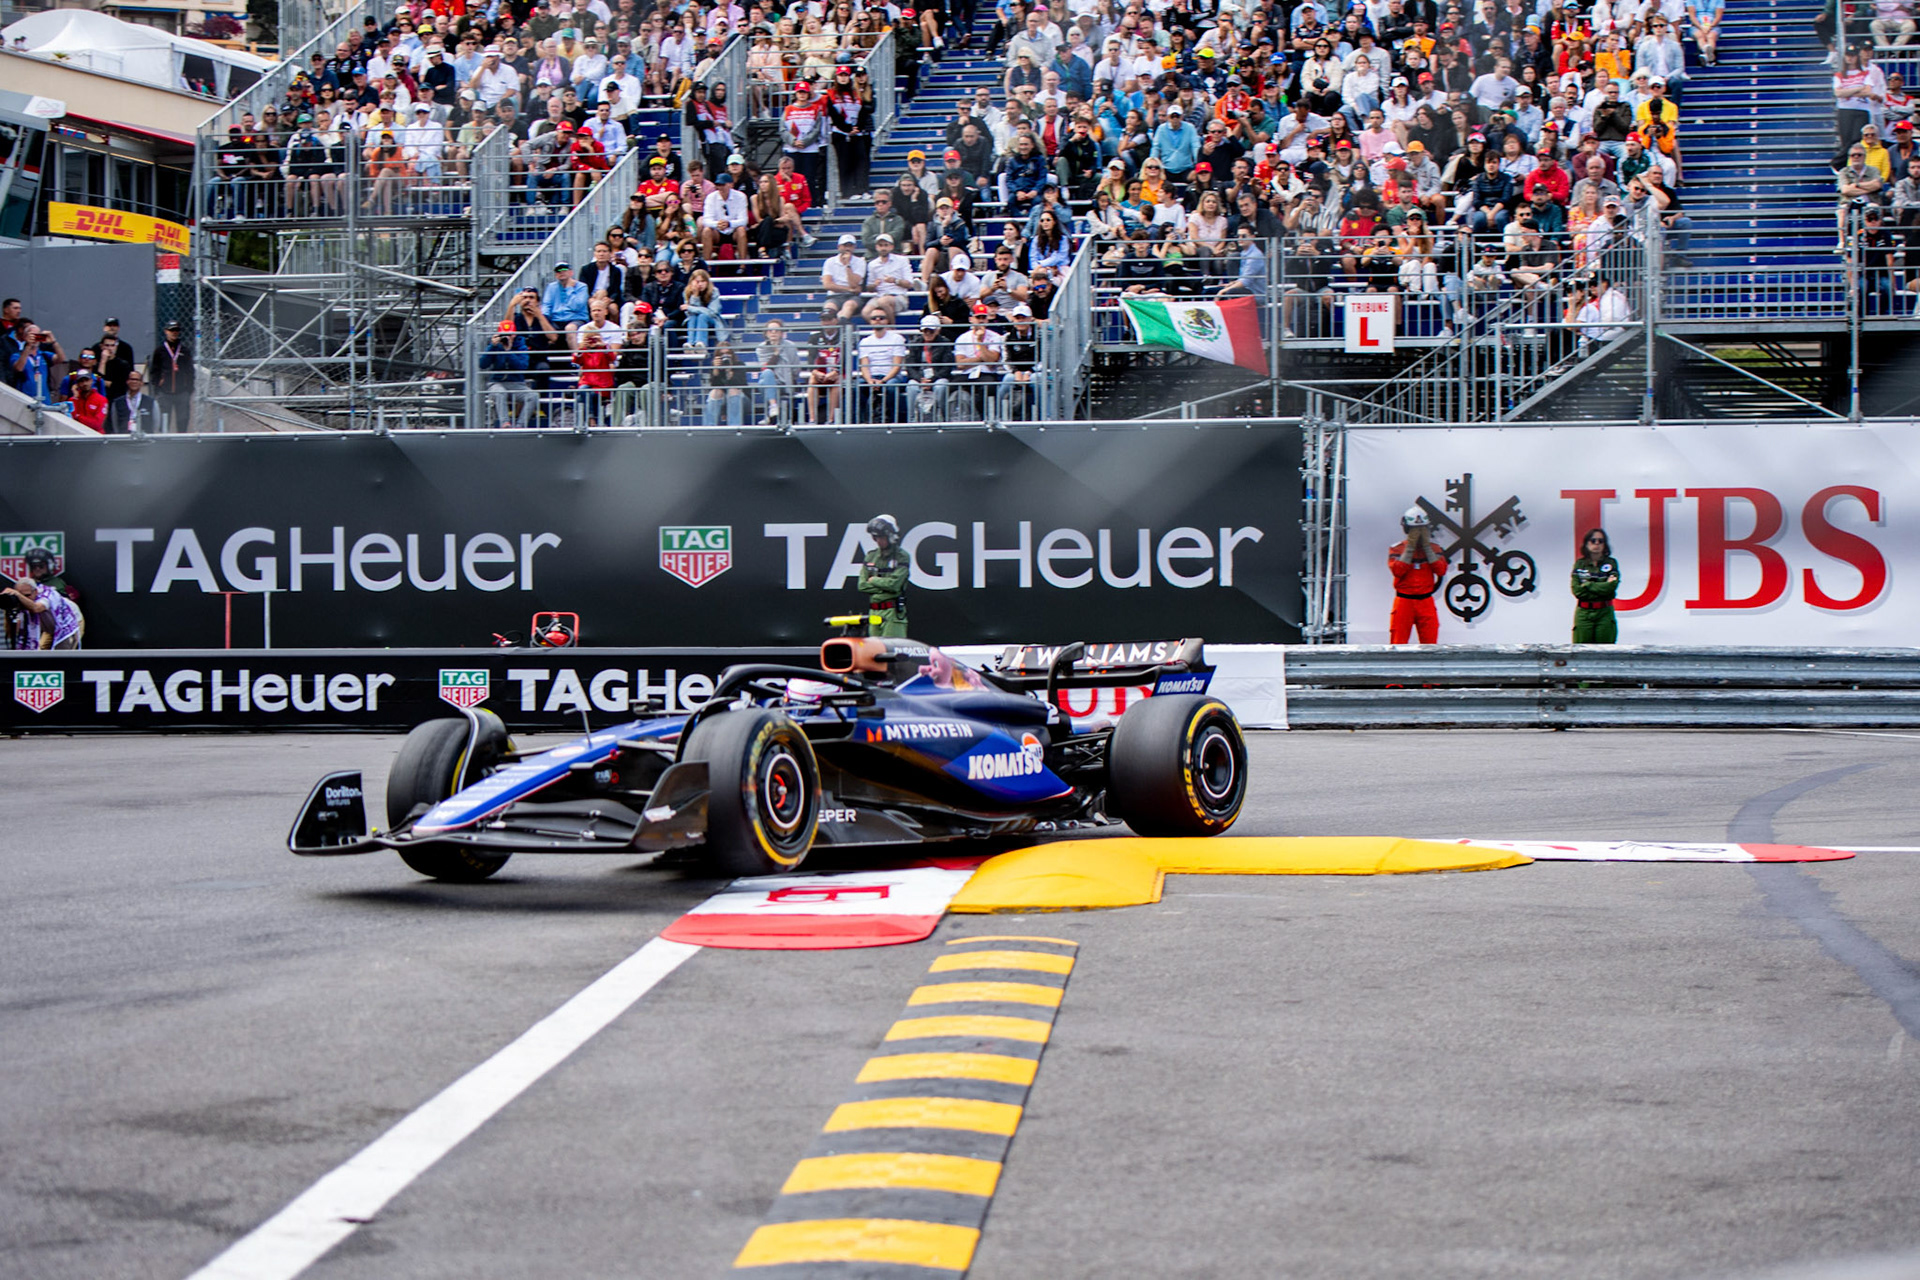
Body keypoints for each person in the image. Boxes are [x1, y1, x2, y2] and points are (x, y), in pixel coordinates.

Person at [1388, 505, 1448, 645]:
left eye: (1422, 529)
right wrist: (1410, 548)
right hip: (1404, 601)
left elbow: (1441, 570)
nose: (1419, 533)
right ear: (1407, 529)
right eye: (1415, 530)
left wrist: (1426, 547)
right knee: (1398, 643)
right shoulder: (1397, 549)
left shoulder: (1434, 549)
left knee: (1430, 644)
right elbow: (1398, 571)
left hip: (1426, 601)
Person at [856, 513, 910, 636]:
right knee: (874, 651)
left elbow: (894, 586)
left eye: (881, 537)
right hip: (874, 612)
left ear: (890, 536)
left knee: (891, 651)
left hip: (892, 612)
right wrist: (885, 586)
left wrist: (874, 580)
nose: (878, 541)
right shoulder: (871, 556)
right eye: (875, 537)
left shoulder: (902, 557)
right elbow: (862, 585)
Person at [3, 576, 83, 651]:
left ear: (36, 592)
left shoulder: (47, 595)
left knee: (62, 652)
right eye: (21, 596)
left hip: (69, 622)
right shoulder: (20, 603)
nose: (24, 598)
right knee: (41, 650)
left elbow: (36, 608)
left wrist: (18, 595)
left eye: (27, 595)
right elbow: (15, 632)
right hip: (49, 626)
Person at [1571, 527, 1621, 643]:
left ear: (1605, 545)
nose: (1597, 543)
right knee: (1581, 652)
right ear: (1587, 543)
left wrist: (1588, 585)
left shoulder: (1611, 563)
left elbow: (1611, 587)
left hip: (1604, 611)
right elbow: (1577, 591)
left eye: (1600, 541)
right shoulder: (1580, 564)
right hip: (1584, 613)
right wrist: (1601, 586)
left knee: (1605, 651)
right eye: (1593, 540)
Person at [146, 320, 193, 433]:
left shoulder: (184, 351)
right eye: (171, 330)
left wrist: (189, 389)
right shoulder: (160, 351)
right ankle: (164, 443)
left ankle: (182, 442)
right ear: (166, 331)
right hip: (165, 392)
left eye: (176, 330)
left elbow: (190, 371)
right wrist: (157, 388)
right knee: (164, 421)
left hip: (182, 392)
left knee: (183, 420)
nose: (174, 333)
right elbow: (154, 372)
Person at [109, 368, 161, 434]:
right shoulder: (117, 403)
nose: (134, 382)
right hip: (124, 440)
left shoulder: (151, 402)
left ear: (141, 383)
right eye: (132, 379)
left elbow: (156, 426)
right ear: (127, 381)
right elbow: (115, 425)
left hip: (146, 440)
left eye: (137, 380)